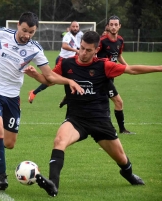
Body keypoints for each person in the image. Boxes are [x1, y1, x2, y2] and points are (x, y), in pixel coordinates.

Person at [25, 31, 162, 197]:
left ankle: (129, 175)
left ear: (96, 50)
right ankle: (53, 185)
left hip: (100, 121)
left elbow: (131, 69)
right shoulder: (67, 63)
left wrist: (159, 68)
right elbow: (50, 80)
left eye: (88, 50)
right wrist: (35, 76)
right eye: (81, 48)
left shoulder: (104, 65)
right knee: (59, 141)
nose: (83, 53)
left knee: (122, 159)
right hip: (76, 119)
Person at [0, 12, 84, 191]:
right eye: (24, 30)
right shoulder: (1, 33)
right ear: (18, 25)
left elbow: (49, 78)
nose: (27, 35)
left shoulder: (35, 49)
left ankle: (3, 160)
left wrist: (66, 80)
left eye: (31, 32)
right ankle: (1, 176)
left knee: (9, 143)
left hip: (13, 97)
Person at [28, 21, 83, 104]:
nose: (75, 28)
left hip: (70, 61)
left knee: (73, 78)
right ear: (70, 27)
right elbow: (64, 46)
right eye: (73, 26)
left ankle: (67, 98)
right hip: (62, 60)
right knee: (52, 80)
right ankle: (34, 92)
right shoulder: (67, 36)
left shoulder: (76, 36)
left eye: (77, 27)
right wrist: (75, 50)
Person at [97, 15, 133, 134]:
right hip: (102, 76)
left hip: (111, 76)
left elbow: (118, 56)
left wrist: (126, 67)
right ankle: (121, 129)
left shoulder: (120, 40)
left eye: (116, 25)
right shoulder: (102, 41)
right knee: (118, 101)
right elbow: (93, 54)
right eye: (111, 24)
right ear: (108, 26)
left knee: (100, 101)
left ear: (119, 26)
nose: (113, 27)